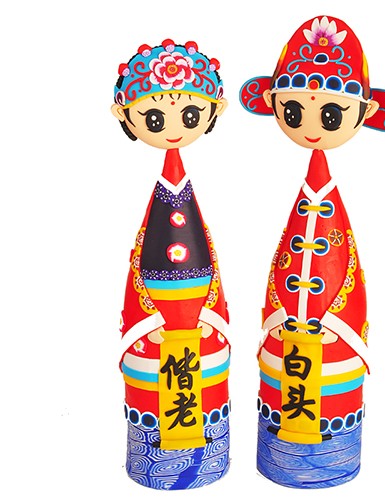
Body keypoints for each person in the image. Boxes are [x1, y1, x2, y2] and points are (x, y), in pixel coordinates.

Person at [240, 15, 385, 488]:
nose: (311, 127)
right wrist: (279, 319)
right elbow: (281, 283)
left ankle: (324, 464)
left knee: (327, 397)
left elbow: (347, 284)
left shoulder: (328, 206)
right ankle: (283, 459)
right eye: (294, 111)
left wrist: (334, 327)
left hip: (331, 342)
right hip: (288, 337)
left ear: (366, 112)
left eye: (330, 115)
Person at [111, 39, 230, 490]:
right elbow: (137, 286)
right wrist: (149, 326)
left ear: (213, 111)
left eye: (190, 114)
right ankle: (158, 464)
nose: (174, 129)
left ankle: (206, 460)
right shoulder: (166, 200)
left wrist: (207, 320)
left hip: (199, 331)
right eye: (155, 118)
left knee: (203, 382)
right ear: (125, 116)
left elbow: (210, 283)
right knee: (160, 395)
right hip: (158, 336)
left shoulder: (178, 200)